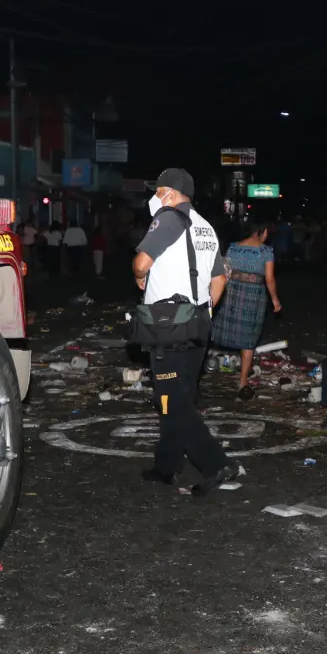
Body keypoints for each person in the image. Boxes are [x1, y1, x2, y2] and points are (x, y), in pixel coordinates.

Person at [131, 168, 236, 494]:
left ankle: (217, 463)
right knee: (179, 396)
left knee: (171, 400)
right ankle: (167, 465)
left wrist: (139, 275)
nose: (156, 198)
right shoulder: (206, 227)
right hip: (198, 321)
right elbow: (219, 279)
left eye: (160, 191)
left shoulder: (169, 218)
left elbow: (141, 263)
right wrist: (203, 309)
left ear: (173, 195)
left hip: (169, 324)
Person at [211, 221, 282, 400]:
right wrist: (275, 300)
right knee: (248, 338)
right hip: (254, 294)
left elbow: (224, 271)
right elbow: (270, 279)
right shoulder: (265, 251)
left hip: (231, 291)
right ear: (264, 231)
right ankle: (243, 381)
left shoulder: (234, 247)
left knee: (220, 329)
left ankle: (204, 365)